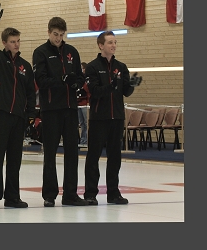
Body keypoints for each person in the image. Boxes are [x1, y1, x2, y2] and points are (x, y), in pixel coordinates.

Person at [0, 4, 36, 209]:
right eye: (12, 41)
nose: (16, 44)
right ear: (4, 43)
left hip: (18, 118)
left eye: (18, 41)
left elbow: (30, 93)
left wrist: (30, 116)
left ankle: (12, 197)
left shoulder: (25, 66)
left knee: (14, 159)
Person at [32, 16, 88, 207]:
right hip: (50, 110)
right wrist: (62, 80)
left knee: (72, 152)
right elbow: (40, 80)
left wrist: (75, 82)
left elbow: (81, 77)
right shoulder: (40, 53)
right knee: (50, 153)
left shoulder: (71, 52)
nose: (58, 38)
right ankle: (49, 194)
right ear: (49, 33)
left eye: (61, 35)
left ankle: (70, 194)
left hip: (70, 109)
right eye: (55, 34)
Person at [84, 31, 142, 205]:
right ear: (101, 45)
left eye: (115, 42)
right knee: (93, 156)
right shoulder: (93, 67)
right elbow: (94, 91)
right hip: (98, 118)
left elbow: (125, 92)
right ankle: (90, 193)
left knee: (115, 157)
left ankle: (113, 193)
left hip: (116, 118)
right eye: (110, 42)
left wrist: (131, 85)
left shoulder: (121, 67)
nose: (113, 45)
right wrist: (111, 86)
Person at [77, 62, 90, 147]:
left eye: (82, 68)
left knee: (86, 123)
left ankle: (86, 140)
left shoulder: (87, 80)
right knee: (81, 123)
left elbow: (88, 91)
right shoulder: (79, 79)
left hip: (85, 104)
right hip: (79, 104)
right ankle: (82, 140)